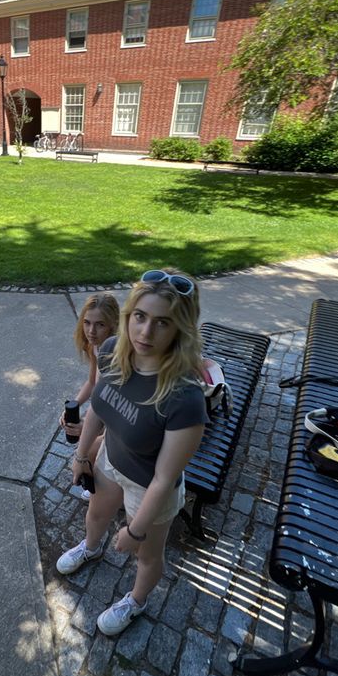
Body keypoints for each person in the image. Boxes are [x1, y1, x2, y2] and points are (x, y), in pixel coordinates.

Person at [56, 270, 207, 636]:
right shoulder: (112, 352)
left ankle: (136, 601)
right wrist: (81, 456)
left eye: (161, 323)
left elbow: (164, 479)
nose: (144, 333)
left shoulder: (184, 398)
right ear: (128, 317)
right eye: (139, 317)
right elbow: (98, 408)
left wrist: (136, 531)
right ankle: (91, 549)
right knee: (95, 516)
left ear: (180, 330)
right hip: (111, 460)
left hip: (149, 487)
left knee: (147, 556)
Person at [60, 293, 120, 500]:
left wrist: (90, 428)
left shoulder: (118, 356)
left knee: (90, 450)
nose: (91, 331)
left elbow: (119, 409)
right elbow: (93, 382)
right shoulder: (94, 346)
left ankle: (112, 495)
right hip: (106, 410)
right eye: (87, 323)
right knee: (84, 443)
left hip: (121, 419)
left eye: (100, 325)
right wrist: (72, 406)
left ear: (112, 325)